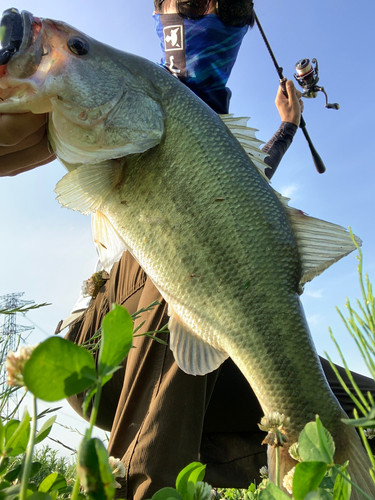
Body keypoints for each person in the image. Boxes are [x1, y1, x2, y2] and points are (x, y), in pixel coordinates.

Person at [1, 2, 373, 500]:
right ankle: (144, 488)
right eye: (192, 8)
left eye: (231, 17)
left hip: (211, 356)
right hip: (99, 354)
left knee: (355, 412)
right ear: (163, 19)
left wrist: (285, 127)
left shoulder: (199, 132)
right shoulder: (103, 107)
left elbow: (243, 204)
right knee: (198, 256)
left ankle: (290, 469)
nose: (208, 30)